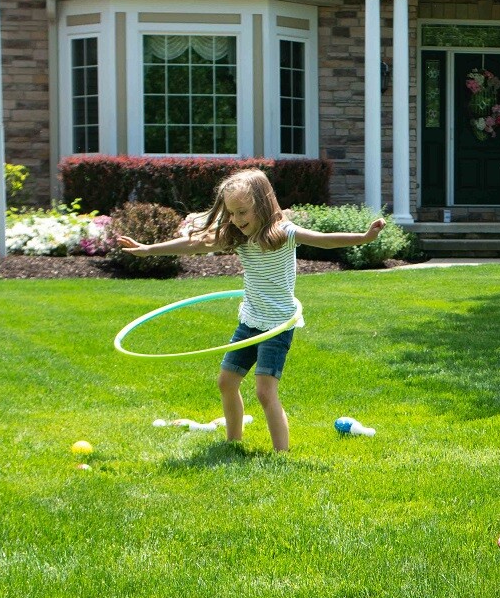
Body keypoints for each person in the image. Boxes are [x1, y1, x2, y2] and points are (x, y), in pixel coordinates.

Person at [116, 169, 385, 452]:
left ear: (262, 204)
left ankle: (282, 454)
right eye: (231, 213)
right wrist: (148, 249)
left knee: (264, 392)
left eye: (242, 212)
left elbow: (324, 239)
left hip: (278, 322)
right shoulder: (237, 237)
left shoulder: (285, 234)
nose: (236, 219)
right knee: (226, 382)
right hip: (252, 319)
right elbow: (194, 244)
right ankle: (233, 443)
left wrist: (364, 237)